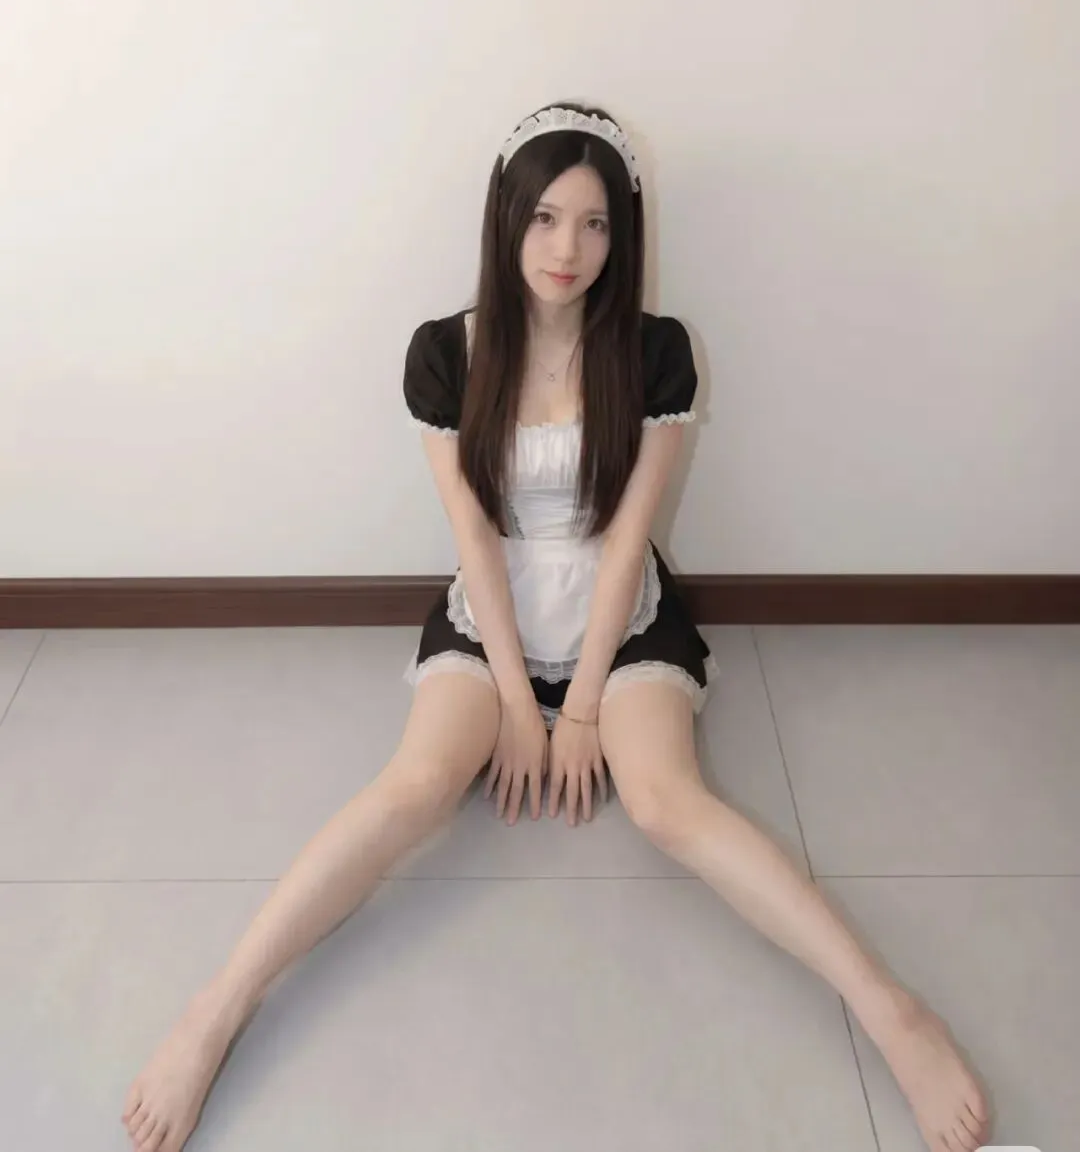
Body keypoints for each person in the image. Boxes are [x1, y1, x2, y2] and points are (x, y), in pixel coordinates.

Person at [122, 102, 990, 1152]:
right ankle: (215, 1010)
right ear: (505, 218)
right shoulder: (444, 353)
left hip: (620, 618)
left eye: (594, 223)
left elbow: (626, 544)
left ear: (623, 234)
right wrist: (510, 696)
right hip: (493, 611)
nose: (566, 248)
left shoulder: (655, 352)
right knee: (414, 786)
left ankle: (892, 1011)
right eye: (543, 217)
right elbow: (474, 539)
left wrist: (576, 710)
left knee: (667, 802)